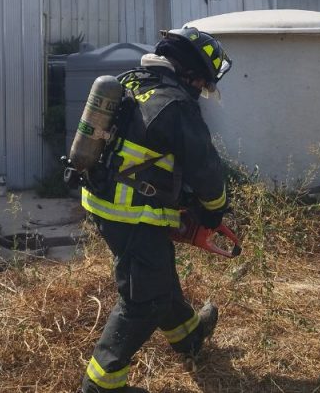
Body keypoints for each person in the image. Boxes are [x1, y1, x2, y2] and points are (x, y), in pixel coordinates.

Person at [79, 26, 232, 393]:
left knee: (155, 275)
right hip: (133, 213)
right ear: (192, 74)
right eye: (202, 84)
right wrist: (214, 211)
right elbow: (206, 170)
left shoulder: (131, 82)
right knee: (143, 300)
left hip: (104, 203)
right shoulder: (175, 104)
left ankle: (189, 335)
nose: (200, 91)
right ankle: (102, 385)